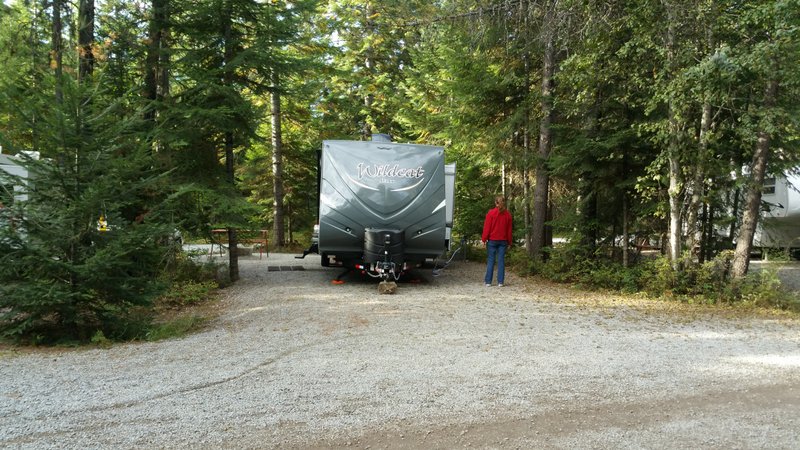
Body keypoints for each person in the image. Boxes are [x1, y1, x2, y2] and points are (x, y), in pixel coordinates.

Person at [482, 195, 512, 287]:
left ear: (496, 203)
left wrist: (484, 239)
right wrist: (510, 242)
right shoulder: (508, 215)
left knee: (491, 260)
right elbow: (509, 231)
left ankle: (488, 282)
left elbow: (487, 228)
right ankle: (500, 282)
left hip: (492, 241)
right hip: (503, 241)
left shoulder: (491, 213)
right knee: (501, 261)